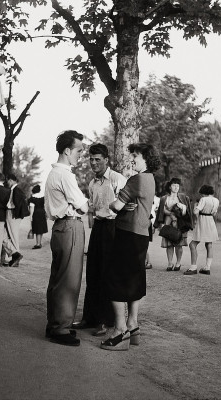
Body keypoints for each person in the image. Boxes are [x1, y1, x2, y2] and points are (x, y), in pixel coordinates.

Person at [100, 142, 161, 351]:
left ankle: (120, 331)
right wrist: (127, 203)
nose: (132, 159)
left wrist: (115, 204)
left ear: (146, 158)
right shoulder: (151, 179)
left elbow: (116, 206)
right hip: (142, 235)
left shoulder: (136, 180)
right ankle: (133, 324)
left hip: (127, 234)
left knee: (114, 278)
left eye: (135, 155)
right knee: (134, 278)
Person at [73, 143, 127, 337]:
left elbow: (128, 205)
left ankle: (106, 320)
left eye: (98, 159)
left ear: (106, 160)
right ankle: (90, 317)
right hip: (98, 227)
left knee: (107, 274)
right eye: (91, 159)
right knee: (93, 272)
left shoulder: (117, 179)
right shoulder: (93, 183)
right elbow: (93, 208)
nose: (94, 163)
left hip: (113, 228)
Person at [45, 130, 89, 347]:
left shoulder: (54, 173)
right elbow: (82, 206)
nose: (80, 155)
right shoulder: (65, 175)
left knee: (58, 277)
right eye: (78, 150)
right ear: (67, 150)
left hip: (60, 227)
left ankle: (55, 324)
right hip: (70, 225)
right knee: (69, 279)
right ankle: (61, 328)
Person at [154, 177, 193, 271]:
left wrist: (182, 208)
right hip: (168, 223)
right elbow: (160, 212)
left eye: (177, 185)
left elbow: (187, 213)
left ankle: (178, 263)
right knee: (169, 244)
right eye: (174, 185)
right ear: (170, 187)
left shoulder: (184, 197)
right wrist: (157, 224)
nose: (176, 187)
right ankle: (170, 263)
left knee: (179, 244)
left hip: (180, 224)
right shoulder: (164, 198)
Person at [184, 185, 219, 276]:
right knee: (209, 244)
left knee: (193, 244)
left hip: (203, 222)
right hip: (211, 222)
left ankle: (193, 267)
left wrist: (195, 207)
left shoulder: (203, 199)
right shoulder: (216, 200)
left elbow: (196, 212)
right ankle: (207, 267)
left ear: (203, 193)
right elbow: (214, 213)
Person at [5, 173, 30, 267]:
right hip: (13, 214)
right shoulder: (16, 190)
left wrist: (16, 214)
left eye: (8, 180)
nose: (7, 182)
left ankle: (16, 258)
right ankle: (15, 258)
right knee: (13, 236)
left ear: (11, 180)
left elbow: (17, 204)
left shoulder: (16, 190)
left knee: (13, 236)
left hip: (12, 214)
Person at [28, 184, 48, 249]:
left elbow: (32, 208)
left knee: (37, 229)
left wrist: (31, 217)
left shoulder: (32, 198)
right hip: (42, 213)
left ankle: (38, 244)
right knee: (41, 229)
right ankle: (39, 242)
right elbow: (45, 206)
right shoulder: (43, 198)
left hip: (36, 213)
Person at [145, 195, 160, 269]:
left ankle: (148, 262)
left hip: (148, 223)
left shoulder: (155, 199)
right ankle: (146, 261)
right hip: (144, 222)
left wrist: (154, 226)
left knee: (145, 244)